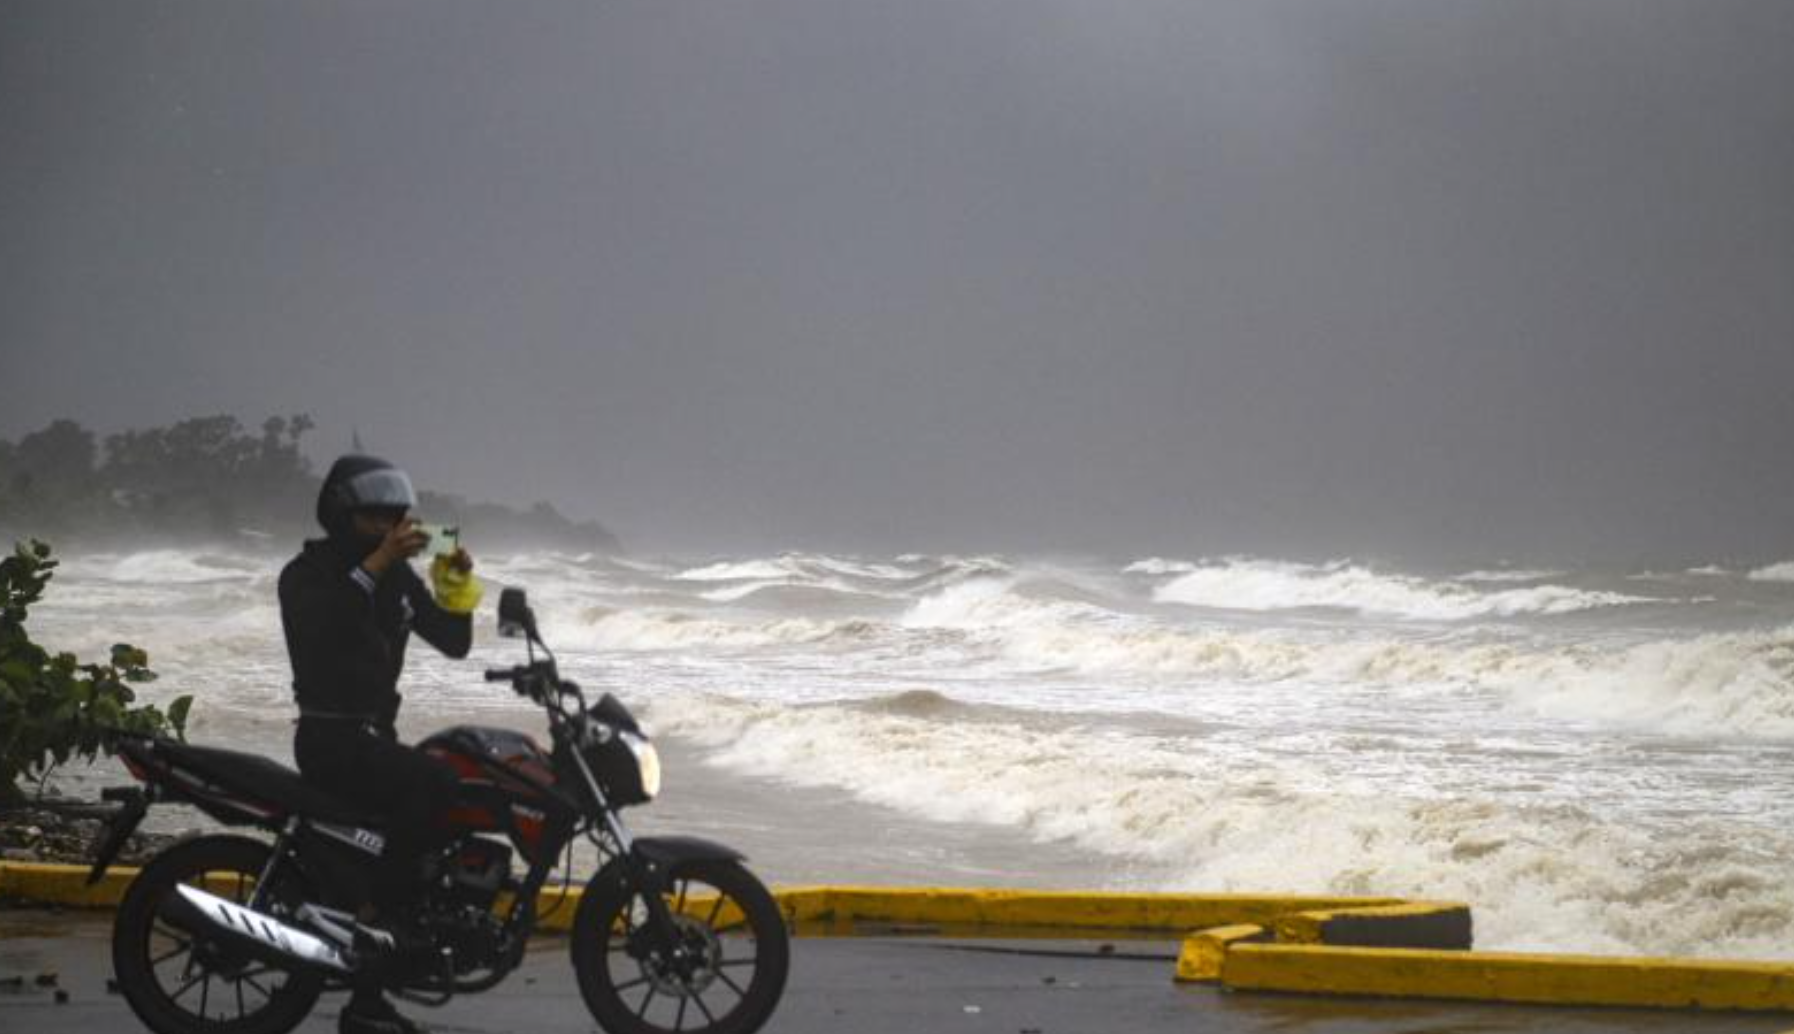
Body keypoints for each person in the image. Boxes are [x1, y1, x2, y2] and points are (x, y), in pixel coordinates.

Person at [278, 454, 484, 1034]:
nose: (392, 527)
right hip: (330, 738)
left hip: (373, 736)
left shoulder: (394, 578)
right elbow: (333, 622)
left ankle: (369, 995)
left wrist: (457, 584)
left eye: (398, 516)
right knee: (435, 782)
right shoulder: (307, 574)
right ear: (342, 516)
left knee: (447, 787)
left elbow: (453, 642)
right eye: (377, 518)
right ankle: (378, 918)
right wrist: (380, 562)